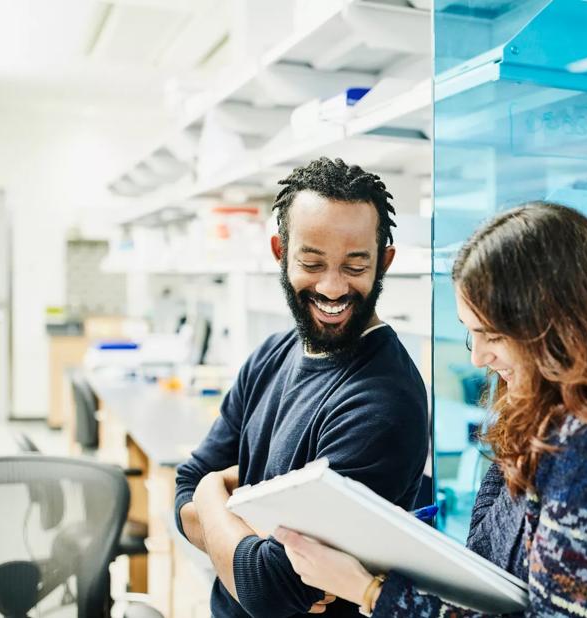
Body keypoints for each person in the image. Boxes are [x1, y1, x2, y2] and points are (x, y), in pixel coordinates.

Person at [277, 201, 587, 616]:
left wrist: (369, 590)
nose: (478, 358)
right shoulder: (556, 408)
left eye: (495, 336)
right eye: (471, 333)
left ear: (562, 328)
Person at [173, 157, 430, 618]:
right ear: (280, 251)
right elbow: (184, 488)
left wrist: (215, 496)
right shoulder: (272, 354)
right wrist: (229, 520)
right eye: (312, 262)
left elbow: (267, 590)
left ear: (384, 262)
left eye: (355, 265)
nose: (332, 287)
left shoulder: (382, 401)